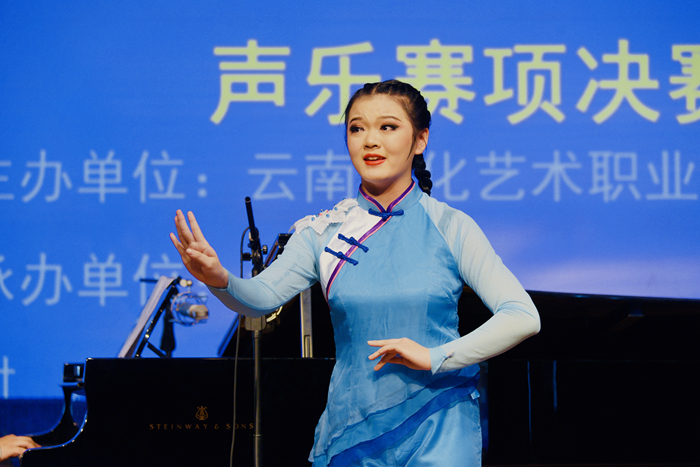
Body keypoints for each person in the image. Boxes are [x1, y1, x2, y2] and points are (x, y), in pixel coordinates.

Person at [171, 79, 540, 466]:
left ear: (420, 139)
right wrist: (219, 279)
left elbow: (522, 316)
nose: (370, 141)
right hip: (353, 428)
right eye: (357, 128)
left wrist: (435, 356)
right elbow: (258, 300)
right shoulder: (323, 230)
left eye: (388, 127)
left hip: (440, 425)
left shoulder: (451, 225)